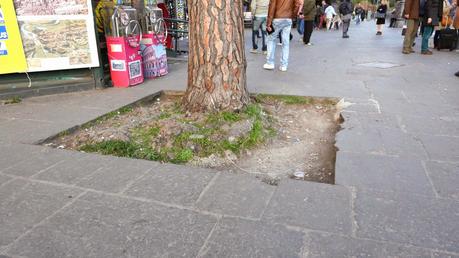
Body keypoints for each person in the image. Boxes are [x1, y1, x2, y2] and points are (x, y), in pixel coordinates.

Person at [264, 0, 302, 72]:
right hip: (288, 18)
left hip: (277, 17)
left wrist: (269, 22)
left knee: (271, 39)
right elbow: (297, 4)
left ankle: (270, 62)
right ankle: (284, 65)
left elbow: (272, 6)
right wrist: (292, 15)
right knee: (285, 42)